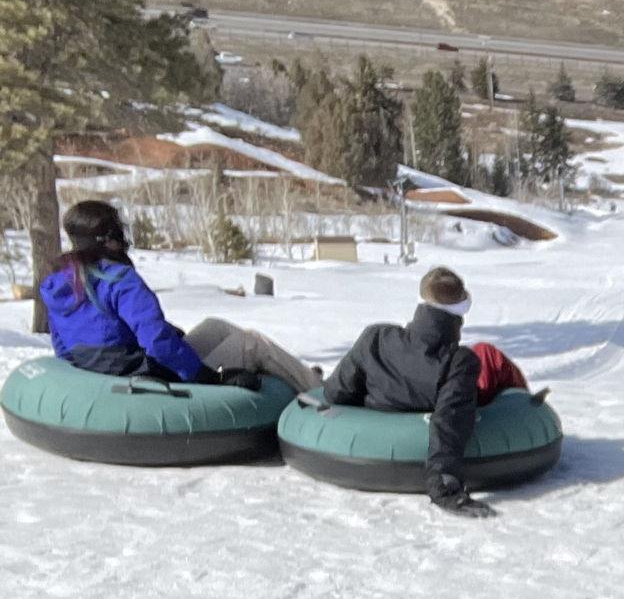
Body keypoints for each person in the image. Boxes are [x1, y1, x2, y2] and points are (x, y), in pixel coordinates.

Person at [37, 199, 319, 392]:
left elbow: (62, 345)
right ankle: (318, 390)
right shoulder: (120, 279)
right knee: (252, 343)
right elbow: (156, 341)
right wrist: (206, 376)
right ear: (108, 239)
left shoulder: (58, 282)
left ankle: (299, 373)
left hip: (112, 370)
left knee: (215, 327)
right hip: (145, 373)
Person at [321, 266, 490, 518]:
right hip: (424, 437)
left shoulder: (375, 337)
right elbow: (449, 418)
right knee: (491, 359)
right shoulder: (459, 361)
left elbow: (336, 392)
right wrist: (443, 486)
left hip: (367, 440)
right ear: (461, 311)